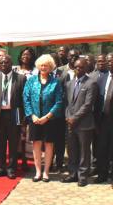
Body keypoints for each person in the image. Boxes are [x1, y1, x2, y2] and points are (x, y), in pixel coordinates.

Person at [24, 54, 63, 182]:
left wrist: (47, 116)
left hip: (50, 119)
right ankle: (38, 172)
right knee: (36, 144)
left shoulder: (56, 82)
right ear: (38, 66)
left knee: (49, 145)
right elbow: (26, 99)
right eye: (41, 65)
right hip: (35, 119)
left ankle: (46, 172)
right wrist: (32, 115)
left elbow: (59, 101)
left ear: (51, 67)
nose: (43, 67)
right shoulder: (31, 81)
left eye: (46, 65)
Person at [0, 55, 26, 179]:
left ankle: (11, 168)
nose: (3, 64)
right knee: (0, 144)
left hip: (14, 114)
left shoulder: (20, 78)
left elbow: (23, 101)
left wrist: (23, 120)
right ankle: (0, 167)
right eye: (1, 63)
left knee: (14, 144)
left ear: (11, 64)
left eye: (6, 62)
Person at [61, 58, 97, 187]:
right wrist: (68, 117)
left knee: (84, 151)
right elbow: (66, 103)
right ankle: (72, 174)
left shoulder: (91, 83)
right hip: (70, 123)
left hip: (84, 124)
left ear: (86, 68)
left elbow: (88, 105)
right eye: (76, 67)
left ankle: (82, 176)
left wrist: (74, 118)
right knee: (72, 150)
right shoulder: (69, 84)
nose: (78, 69)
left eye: (81, 67)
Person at [95, 53, 113, 184]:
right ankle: (102, 174)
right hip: (103, 120)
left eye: (112, 60)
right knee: (102, 148)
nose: (110, 63)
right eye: (109, 61)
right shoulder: (102, 78)